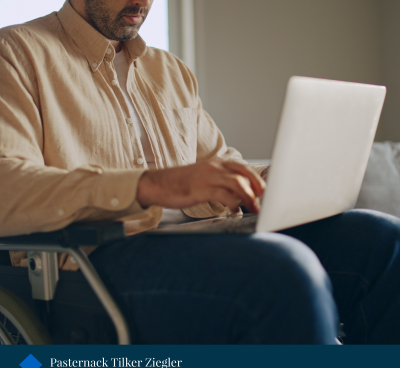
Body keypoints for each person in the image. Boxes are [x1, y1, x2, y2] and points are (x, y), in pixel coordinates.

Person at [0, 0, 399, 344]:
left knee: (382, 240)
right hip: (93, 261)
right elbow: (8, 186)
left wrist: (271, 179)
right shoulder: (16, 52)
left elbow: (220, 164)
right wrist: (150, 185)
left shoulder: (169, 70)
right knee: (280, 272)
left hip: (203, 237)